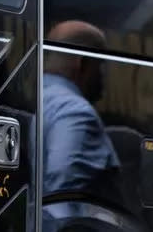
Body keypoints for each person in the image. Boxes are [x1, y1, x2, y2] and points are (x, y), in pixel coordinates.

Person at [43, 21, 123, 209]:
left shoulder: (38, 98)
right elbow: (64, 196)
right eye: (101, 64)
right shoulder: (75, 112)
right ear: (83, 64)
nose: (104, 75)